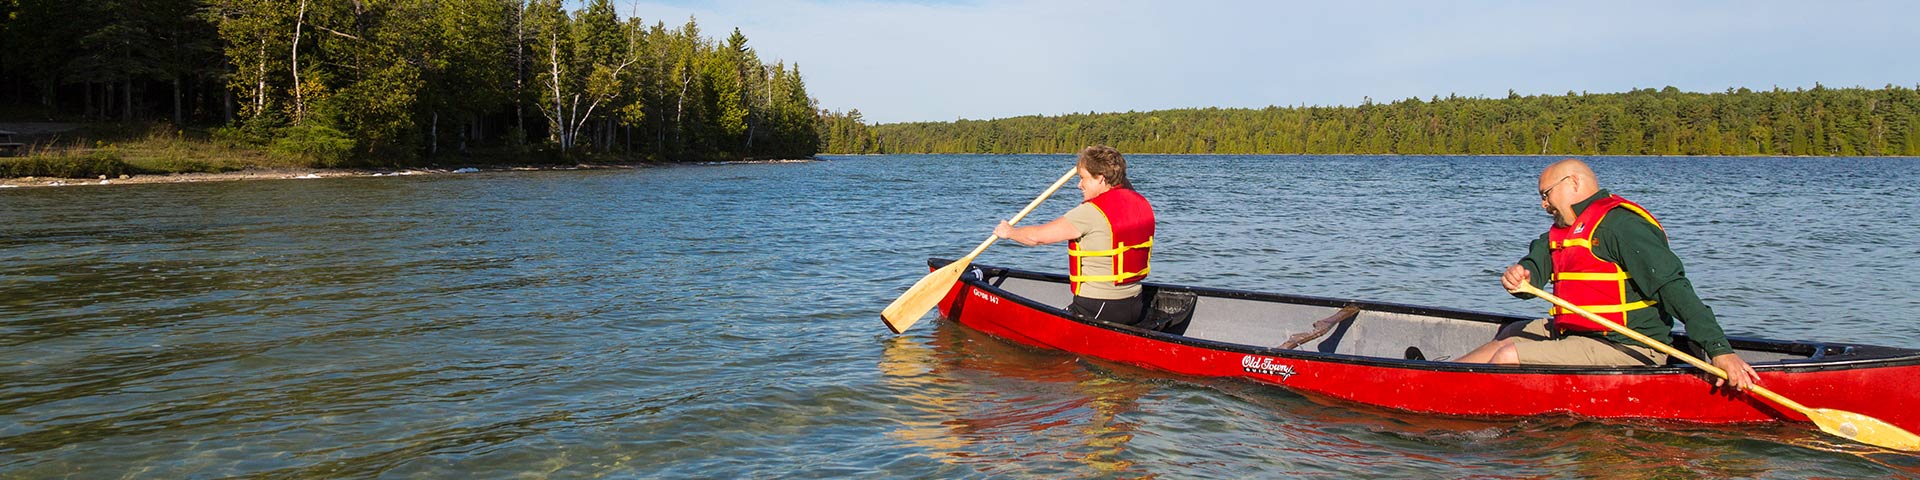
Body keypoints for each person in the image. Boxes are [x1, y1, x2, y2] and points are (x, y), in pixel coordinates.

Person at [1458, 159, 1759, 391]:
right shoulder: (1561, 232)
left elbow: (1673, 288)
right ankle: (1428, 376)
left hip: (1628, 345)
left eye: (1546, 194)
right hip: (1578, 334)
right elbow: (1534, 270)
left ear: (1573, 182)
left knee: (1508, 356)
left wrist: (1719, 350)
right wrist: (1520, 278)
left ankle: (1475, 401)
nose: (1544, 204)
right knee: (1508, 335)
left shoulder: (1621, 226)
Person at [993, 145, 1156, 327]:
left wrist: (1009, 232)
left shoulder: (1090, 213)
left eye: (1083, 178)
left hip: (1098, 307)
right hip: (1134, 303)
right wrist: (1096, 158)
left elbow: (1037, 237)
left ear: (1101, 178)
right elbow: (1121, 182)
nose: (1079, 185)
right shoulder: (1139, 202)